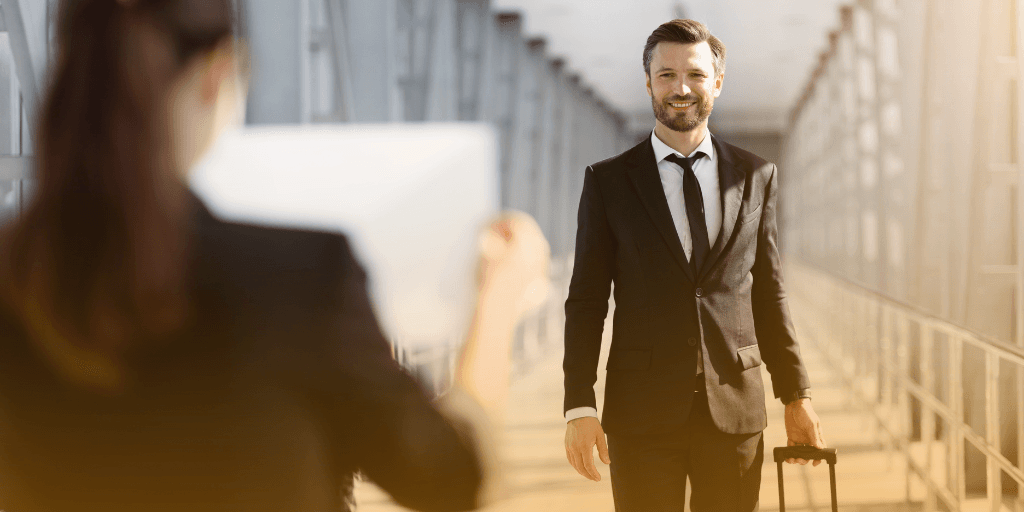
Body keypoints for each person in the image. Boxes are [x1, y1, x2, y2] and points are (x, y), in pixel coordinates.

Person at [0, 0, 549, 511]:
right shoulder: (302, 275)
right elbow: (449, 477)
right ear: (219, 75)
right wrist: (498, 300)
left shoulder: (15, 275)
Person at [562, 19, 827, 511]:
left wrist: (796, 394)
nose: (681, 88)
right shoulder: (608, 182)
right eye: (666, 75)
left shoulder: (756, 175)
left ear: (718, 82)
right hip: (640, 416)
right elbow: (586, 300)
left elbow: (769, 292)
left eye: (696, 75)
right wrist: (579, 402)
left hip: (735, 412)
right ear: (648, 83)